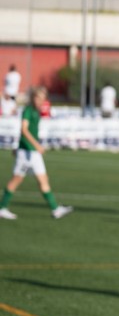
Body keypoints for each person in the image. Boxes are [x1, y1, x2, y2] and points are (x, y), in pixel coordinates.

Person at [0, 87, 73, 220]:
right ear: (33, 97)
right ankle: (2, 208)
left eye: (42, 99)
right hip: (27, 152)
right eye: (38, 98)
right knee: (16, 180)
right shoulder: (28, 110)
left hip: (32, 153)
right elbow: (24, 130)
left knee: (43, 180)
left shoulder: (36, 111)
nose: (40, 101)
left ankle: (55, 209)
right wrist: (36, 145)